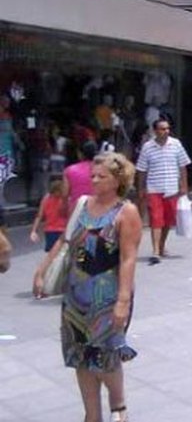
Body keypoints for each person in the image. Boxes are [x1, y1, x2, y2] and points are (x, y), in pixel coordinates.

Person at [32, 153, 142, 422]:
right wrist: (42, 271)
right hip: (75, 292)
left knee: (106, 355)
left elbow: (128, 258)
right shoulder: (82, 204)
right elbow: (65, 241)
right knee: (80, 356)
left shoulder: (126, 212)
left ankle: (118, 406)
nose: (94, 180)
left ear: (117, 180)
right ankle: (91, 415)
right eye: (93, 175)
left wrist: (123, 302)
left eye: (101, 176)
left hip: (107, 294)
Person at [136, 119, 191, 266]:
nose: (165, 131)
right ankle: (155, 251)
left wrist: (184, 186)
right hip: (154, 189)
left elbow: (183, 166)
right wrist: (140, 188)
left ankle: (161, 245)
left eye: (167, 129)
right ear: (155, 131)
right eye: (162, 129)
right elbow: (141, 170)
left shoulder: (176, 144)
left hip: (172, 188)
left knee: (168, 220)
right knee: (156, 219)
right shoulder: (147, 147)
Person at [30, 178, 67, 252]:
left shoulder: (63, 199)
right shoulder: (49, 199)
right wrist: (34, 231)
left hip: (60, 230)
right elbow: (39, 216)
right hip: (53, 230)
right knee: (54, 253)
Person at [63, 140, 98, 213]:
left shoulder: (69, 170)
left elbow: (65, 193)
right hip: (97, 209)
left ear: (80, 154)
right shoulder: (101, 169)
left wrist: (65, 208)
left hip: (75, 210)